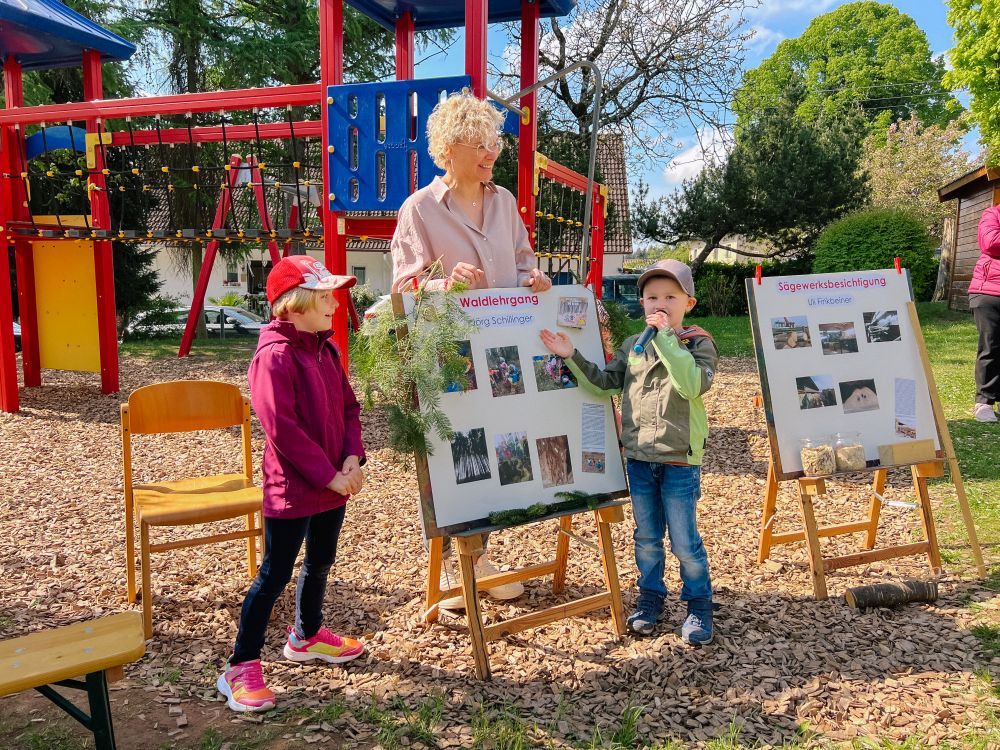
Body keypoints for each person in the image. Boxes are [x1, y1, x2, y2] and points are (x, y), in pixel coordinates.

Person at [390, 92, 552, 609]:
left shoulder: (505, 203)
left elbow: (525, 262)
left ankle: (477, 558)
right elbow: (402, 288)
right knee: (466, 452)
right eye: (480, 144)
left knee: (508, 442)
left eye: (495, 142)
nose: (491, 153)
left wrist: (536, 279)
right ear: (450, 147)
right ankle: (473, 563)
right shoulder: (418, 209)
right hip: (451, 356)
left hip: (506, 350)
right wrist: (444, 284)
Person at [539, 259, 719, 645]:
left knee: (685, 541)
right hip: (639, 459)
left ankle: (699, 605)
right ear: (641, 302)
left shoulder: (698, 343)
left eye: (670, 296)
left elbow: (692, 385)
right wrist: (571, 354)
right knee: (647, 538)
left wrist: (667, 338)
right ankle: (651, 598)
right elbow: (606, 383)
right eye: (652, 296)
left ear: (689, 302)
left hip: (678, 460)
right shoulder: (632, 347)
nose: (660, 303)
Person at [217, 255, 366, 713]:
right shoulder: (274, 357)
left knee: (321, 561)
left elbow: (348, 408)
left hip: (334, 484)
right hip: (294, 489)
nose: (335, 306)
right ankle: (239, 666)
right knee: (275, 574)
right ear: (294, 305)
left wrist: (351, 458)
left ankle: (306, 635)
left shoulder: (326, 348)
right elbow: (282, 429)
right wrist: (330, 476)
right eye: (325, 298)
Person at [972, 205, 1000, 422]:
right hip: (989, 292)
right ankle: (984, 403)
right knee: (991, 346)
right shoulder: (993, 214)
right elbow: (990, 243)